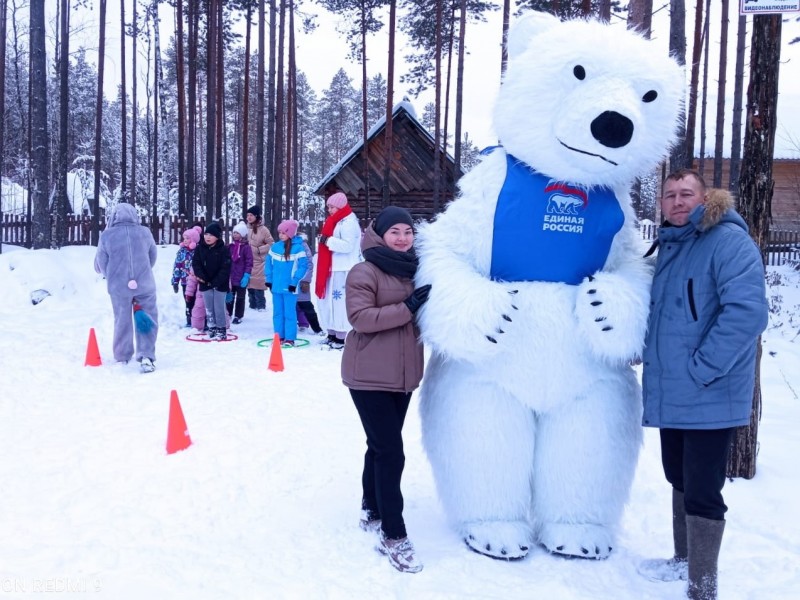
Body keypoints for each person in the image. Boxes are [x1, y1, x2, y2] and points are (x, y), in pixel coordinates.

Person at [637, 169, 768, 600]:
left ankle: (703, 585)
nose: (677, 201)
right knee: (678, 475)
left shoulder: (728, 242)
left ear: (705, 198)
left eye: (686, 193)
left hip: (709, 390)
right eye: (670, 195)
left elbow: (746, 314)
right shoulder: (672, 247)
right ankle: (683, 561)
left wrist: (703, 367)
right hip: (675, 390)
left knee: (703, 489)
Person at [341, 206, 431, 574]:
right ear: (379, 233)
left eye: (407, 232)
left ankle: (372, 506)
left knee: (379, 445)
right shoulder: (365, 271)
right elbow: (361, 318)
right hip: (368, 376)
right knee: (391, 451)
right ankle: (394, 534)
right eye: (394, 231)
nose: (403, 238)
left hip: (404, 376)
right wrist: (407, 307)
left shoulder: (418, 270)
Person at [94, 202, 159, 373]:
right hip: (144, 284)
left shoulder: (107, 235)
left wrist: (112, 276)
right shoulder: (145, 233)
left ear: (114, 216)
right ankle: (146, 355)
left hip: (119, 286)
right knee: (147, 318)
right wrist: (142, 271)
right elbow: (152, 256)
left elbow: (101, 262)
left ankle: (122, 356)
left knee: (121, 319)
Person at [315, 192, 362, 349]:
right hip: (331, 268)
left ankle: (341, 336)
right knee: (328, 302)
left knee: (339, 303)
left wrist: (328, 241)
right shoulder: (336, 220)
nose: (329, 209)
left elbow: (348, 246)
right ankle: (332, 333)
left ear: (340, 206)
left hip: (343, 268)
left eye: (332, 207)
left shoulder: (348, 222)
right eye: (328, 206)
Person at [265, 219, 308, 347]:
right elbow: (268, 264)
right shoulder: (275, 247)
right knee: (277, 313)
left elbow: (303, 267)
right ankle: (279, 336)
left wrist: (294, 282)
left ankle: (289, 338)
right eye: (279, 232)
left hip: (290, 288)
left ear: (290, 233)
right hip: (276, 288)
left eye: (283, 232)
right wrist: (269, 280)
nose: (281, 235)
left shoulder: (298, 248)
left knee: (289, 313)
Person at [192, 222, 232, 341]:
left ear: (217, 237)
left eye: (211, 235)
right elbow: (196, 264)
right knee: (208, 307)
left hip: (220, 284)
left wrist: (215, 281)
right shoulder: (200, 248)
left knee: (218, 307)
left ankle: (221, 329)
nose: (208, 237)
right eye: (206, 234)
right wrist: (203, 278)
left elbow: (226, 268)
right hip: (205, 283)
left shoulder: (223, 250)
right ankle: (212, 328)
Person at [171, 225, 202, 327]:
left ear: (193, 240)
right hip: (185, 282)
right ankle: (189, 319)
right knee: (188, 301)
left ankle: (199, 320)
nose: (185, 240)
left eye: (188, 238)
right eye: (184, 238)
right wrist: (175, 281)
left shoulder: (199, 251)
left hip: (197, 282)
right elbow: (177, 266)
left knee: (198, 302)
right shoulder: (181, 252)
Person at [245, 205, 274, 312]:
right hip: (248, 261)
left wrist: (259, 250)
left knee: (258, 285)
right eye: (247, 215)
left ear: (256, 216)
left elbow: (271, 244)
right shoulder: (246, 229)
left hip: (259, 262)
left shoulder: (263, 230)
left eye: (251, 215)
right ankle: (252, 306)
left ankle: (261, 307)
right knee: (250, 285)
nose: (249, 217)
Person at [296, 232, 323, 336]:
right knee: (290, 306)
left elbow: (309, 264)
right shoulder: (285, 244)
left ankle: (316, 328)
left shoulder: (303, 245)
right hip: (289, 282)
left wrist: (306, 280)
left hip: (301, 281)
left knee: (306, 306)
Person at [227, 221, 254, 324]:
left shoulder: (246, 248)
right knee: (229, 296)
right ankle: (228, 313)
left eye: (237, 233)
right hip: (231, 277)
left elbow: (249, 262)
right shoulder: (230, 247)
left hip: (241, 277)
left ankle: (238, 315)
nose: (235, 235)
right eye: (234, 233)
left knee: (240, 297)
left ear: (242, 234)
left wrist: (247, 275)